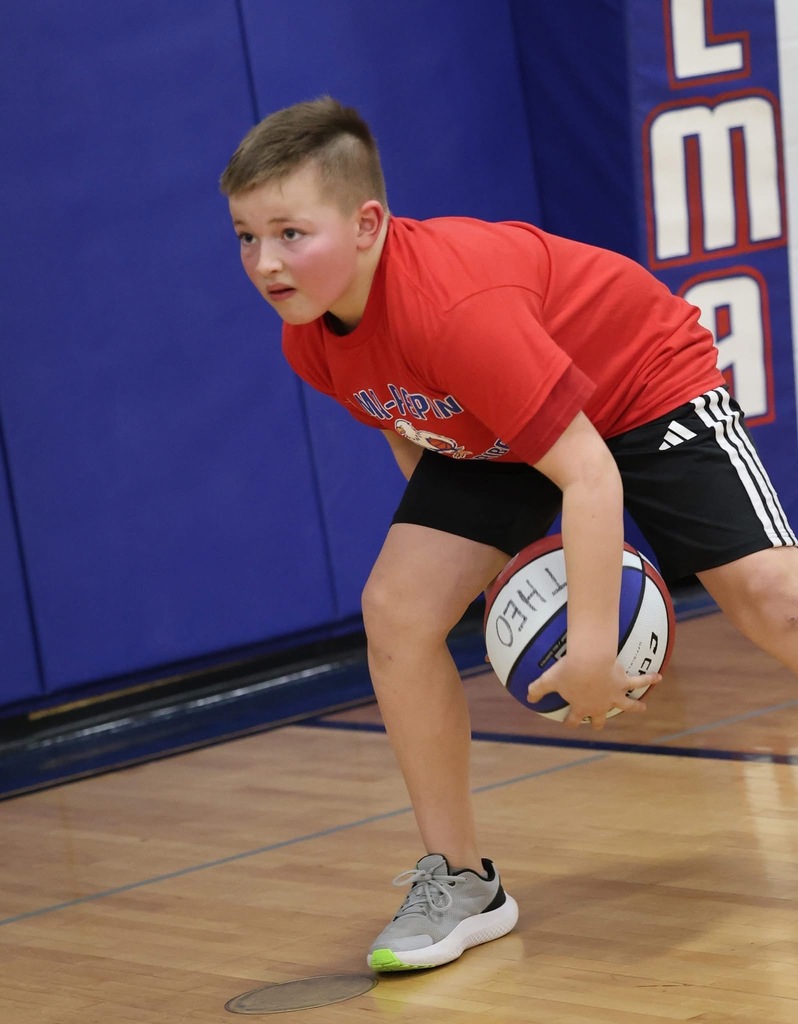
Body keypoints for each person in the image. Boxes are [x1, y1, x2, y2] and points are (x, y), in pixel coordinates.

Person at [220, 97, 798, 972]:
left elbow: (590, 474)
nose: (266, 262)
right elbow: (405, 420)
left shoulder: (455, 308)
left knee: (773, 603)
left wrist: (595, 648)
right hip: (491, 422)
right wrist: (494, 566)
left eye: (291, 233)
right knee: (399, 610)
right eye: (245, 236)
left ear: (368, 222)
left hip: (638, 385)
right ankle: (461, 882)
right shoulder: (312, 334)